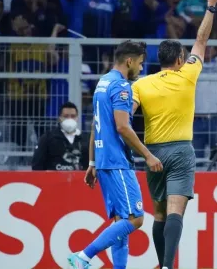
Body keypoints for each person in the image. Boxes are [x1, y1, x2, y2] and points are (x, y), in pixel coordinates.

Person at [130, 0, 217, 268]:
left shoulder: (141, 85)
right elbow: (201, 40)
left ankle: (161, 264)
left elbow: (125, 118)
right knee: (175, 211)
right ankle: (168, 266)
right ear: (181, 58)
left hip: (152, 152)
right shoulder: (188, 74)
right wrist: (211, 6)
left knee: (158, 213)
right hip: (180, 150)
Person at [67, 40, 163, 269]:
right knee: (135, 218)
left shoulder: (102, 82)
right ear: (129, 61)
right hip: (117, 161)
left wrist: (92, 162)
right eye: (140, 63)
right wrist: (148, 155)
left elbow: (95, 125)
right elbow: (122, 127)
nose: (141, 69)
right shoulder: (121, 86)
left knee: (121, 221)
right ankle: (84, 256)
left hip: (103, 161)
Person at [31, 101, 88, 171]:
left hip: (78, 180)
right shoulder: (48, 138)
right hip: (54, 180)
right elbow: (37, 164)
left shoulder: (85, 140)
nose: (70, 119)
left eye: (73, 116)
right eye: (66, 116)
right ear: (60, 118)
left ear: (77, 118)